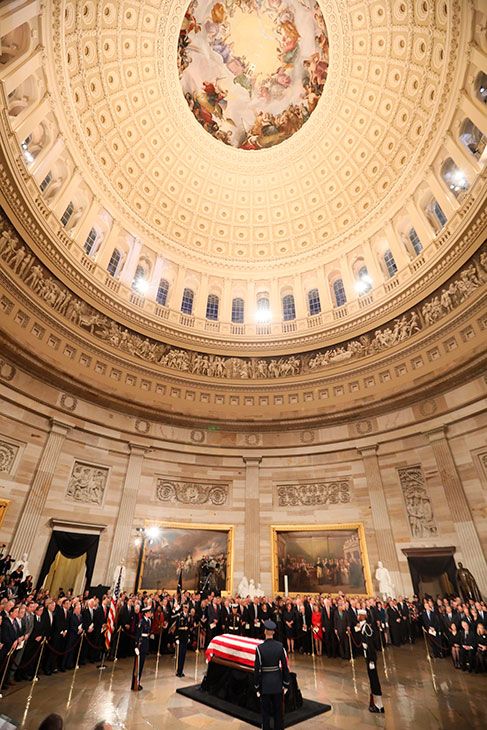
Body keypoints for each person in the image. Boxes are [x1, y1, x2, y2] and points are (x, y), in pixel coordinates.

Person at [254, 619, 290, 730]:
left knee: (265, 713)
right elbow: (285, 667)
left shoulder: (260, 648)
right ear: (273, 632)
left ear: (265, 631)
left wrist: (257, 686)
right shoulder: (280, 646)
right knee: (278, 712)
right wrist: (286, 683)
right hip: (277, 683)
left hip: (265, 684)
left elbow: (257, 670)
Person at [356, 608, 384, 714]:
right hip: (368, 657)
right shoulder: (363, 627)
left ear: (362, 616)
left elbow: (371, 644)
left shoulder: (366, 627)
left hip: (370, 657)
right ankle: (377, 704)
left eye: (359, 615)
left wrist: (371, 660)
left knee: (374, 680)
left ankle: (379, 705)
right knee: (372, 680)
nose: (357, 617)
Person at [131, 605, 152, 691]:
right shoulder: (141, 622)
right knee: (138, 664)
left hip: (145, 643)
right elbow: (138, 634)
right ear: (146, 613)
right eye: (149, 612)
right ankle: (135, 683)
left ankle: (138, 682)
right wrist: (136, 646)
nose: (150, 614)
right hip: (141, 644)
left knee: (142, 664)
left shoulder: (149, 621)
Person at [175, 602, 192, 677]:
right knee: (180, 655)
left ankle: (181, 670)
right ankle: (178, 671)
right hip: (180, 636)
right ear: (183, 608)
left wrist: (188, 637)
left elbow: (188, 627)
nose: (186, 609)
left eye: (187, 608)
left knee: (184, 654)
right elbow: (177, 627)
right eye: (185, 607)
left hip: (185, 637)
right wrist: (177, 637)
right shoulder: (179, 616)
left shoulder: (188, 616)